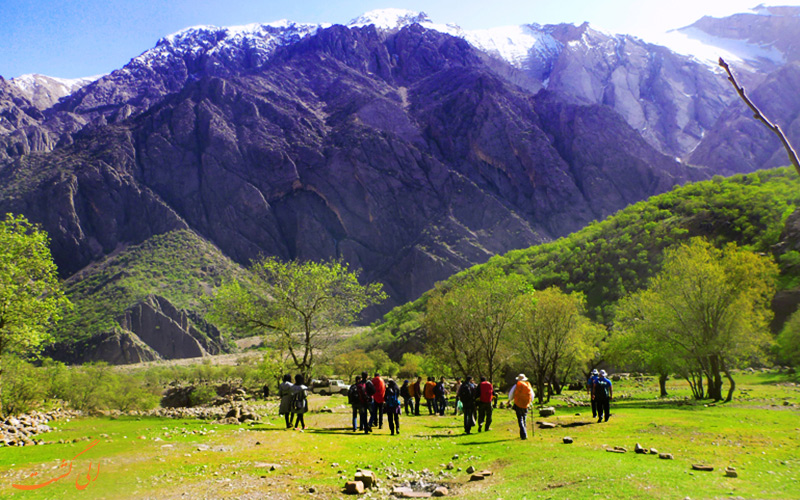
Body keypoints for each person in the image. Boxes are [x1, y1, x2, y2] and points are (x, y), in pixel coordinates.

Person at [508, 374, 534, 440]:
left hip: (518, 404)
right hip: (526, 405)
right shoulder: (528, 385)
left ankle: (523, 434)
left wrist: (509, 401)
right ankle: (524, 434)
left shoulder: (516, 385)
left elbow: (511, 394)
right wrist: (529, 402)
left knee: (520, 419)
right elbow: (532, 395)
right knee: (524, 419)